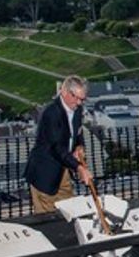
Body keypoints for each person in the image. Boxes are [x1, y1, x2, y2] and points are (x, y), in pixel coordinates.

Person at [25, 75, 94, 214]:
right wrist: (79, 167)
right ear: (64, 92)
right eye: (76, 97)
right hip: (44, 173)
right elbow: (56, 147)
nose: (79, 102)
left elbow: (77, 133)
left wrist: (79, 146)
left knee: (70, 213)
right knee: (48, 219)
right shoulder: (51, 113)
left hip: (63, 170)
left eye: (82, 99)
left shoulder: (78, 109)